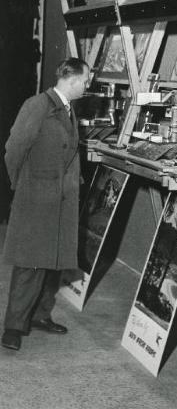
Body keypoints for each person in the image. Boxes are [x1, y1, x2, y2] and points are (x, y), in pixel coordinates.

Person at [1, 58, 89, 351]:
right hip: (37, 199)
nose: (87, 86)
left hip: (61, 201)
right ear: (73, 79)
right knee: (29, 263)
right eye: (86, 80)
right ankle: (13, 327)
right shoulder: (37, 105)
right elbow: (13, 149)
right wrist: (22, 185)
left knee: (53, 262)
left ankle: (39, 315)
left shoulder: (67, 110)